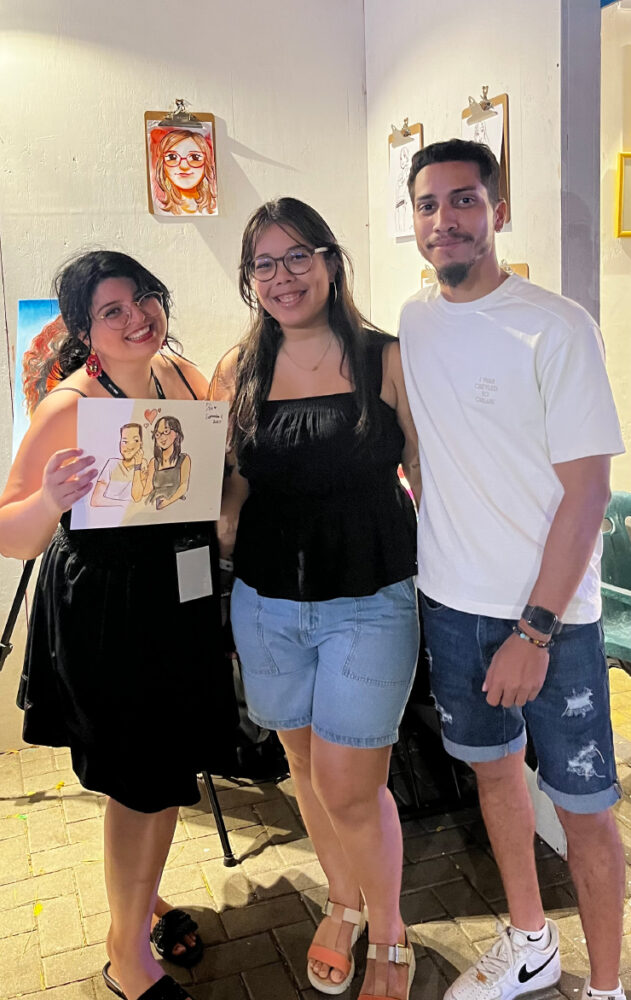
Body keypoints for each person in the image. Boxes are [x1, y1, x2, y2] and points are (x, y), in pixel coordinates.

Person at [399, 138, 626, 1000]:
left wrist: (533, 631)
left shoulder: (554, 325)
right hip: (452, 603)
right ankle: (531, 943)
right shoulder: (414, 321)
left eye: (463, 200)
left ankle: (605, 987)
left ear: (496, 210)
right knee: (494, 776)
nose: (444, 219)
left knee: (584, 806)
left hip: (551, 617)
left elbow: (587, 492)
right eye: (427, 204)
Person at [0, 250, 237, 1000]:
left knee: (160, 770)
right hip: (109, 609)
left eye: (144, 299)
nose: (137, 318)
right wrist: (48, 500)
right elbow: (8, 533)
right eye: (112, 311)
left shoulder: (181, 377)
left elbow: (213, 478)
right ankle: (125, 955)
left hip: (181, 598)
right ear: (83, 330)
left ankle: (141, 905)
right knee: (140, 783)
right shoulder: (68, 407)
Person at [210, 198, 421, 1000]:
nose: (282, 276)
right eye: (263, 263)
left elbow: (425, 472)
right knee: (300, 762)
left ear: (331, 261)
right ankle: (342, 902)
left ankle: (390, 932)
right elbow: (234, 478)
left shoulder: (384, 358)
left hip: (368, 598)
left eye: (298, 255)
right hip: (266, 604)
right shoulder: (237, 369)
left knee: (351, 785)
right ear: (249, 279)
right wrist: (216, 521)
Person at [152, 128, 217, 216]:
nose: (184, 166)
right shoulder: (159, 209)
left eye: (195, 157)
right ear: (162, 165)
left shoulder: (213, 207)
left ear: (206, 163)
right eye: (172, 157)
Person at [91, 423, 147, 507]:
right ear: (119, 443)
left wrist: (137, 466)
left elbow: (137, 498)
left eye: (135, 440)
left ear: (141, 444)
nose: (129, 446)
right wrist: (125, 504)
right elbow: (95, 500)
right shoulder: (112, 464)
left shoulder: (143, 465)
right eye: (125, 441)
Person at [144, 416, 190, 509]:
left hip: (175, 505)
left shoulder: (184, 459)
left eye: (166, 431)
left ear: (176, 433)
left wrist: (168, 502)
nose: (162, 437)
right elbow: (148, 489)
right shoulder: (153, 462)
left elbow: (183, 486)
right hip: (154, 504)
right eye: (158, 434)